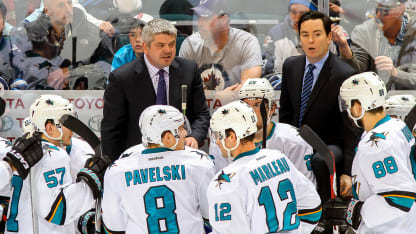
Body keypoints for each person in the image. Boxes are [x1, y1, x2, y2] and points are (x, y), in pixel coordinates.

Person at [279, 11, 360, 204]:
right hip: (295, 142)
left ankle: (323, 215)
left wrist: (348, 173)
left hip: (328, 146)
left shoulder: (345, 73)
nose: (310, 40)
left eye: (317, 34)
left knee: (321, 160)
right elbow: (286, 114)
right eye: (305, 35)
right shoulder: (291, 65)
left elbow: (351, 129)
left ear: (329, 37)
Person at [101, 18, 210, 161]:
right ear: (146, 47)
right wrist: (112, 166)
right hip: (138, 161)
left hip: (180, 157)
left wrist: (194, 137)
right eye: (160, 45)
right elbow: (112, 128)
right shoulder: (122, 78)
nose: (168, 50)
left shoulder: (189, 70)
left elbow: (201, 114)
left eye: (172, 44)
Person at [208, 100, 321, 233]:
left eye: (217, 135)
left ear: (233, 136)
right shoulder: (279, 158)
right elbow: (313, 209)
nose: (216, 141)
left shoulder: (225, 182)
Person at [3, 94, 110, 233]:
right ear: (50, 128)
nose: (72, 130)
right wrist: (90, 184)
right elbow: (57, 212)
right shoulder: (54, 155)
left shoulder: (19, 153)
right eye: (67, 124)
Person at [101, 105, 215, 233]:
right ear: (167, 137)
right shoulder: (198, 163)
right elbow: (211, 216)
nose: (185, 133)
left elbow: (114, 226)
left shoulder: (118, 170)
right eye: (181, 128)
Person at [339, 72, 416, 232]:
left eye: (348, 105)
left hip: (393, 228)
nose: (347, 111)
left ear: (358, 107)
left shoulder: (377, 143)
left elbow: (400, 198)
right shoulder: (395, 125)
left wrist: (361, 211)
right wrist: (354, 187)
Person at [209, 78, 316, 185]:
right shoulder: (224, 140)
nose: (250, 111)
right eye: (245, 105)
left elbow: (305, 190)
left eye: (257, 105)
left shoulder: (294, 140)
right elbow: (222, 187)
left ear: (272, 108)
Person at [179, 0, 262, 91]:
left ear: (224, 20)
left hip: (237, 104)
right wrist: (221, 96)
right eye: (198, 18)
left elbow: (250, 89)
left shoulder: (246, 42)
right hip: (200, 105)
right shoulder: (190, 44)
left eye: (206, 18)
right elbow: (184, 90)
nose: (200, 24)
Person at [333, 0, 416, 90]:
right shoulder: (364, 31)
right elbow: (356, 72)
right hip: (373, 98)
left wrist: (395, 73)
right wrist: (344, 47)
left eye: (385, 11)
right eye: (376, 10)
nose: (378, 16)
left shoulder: (413, 32)